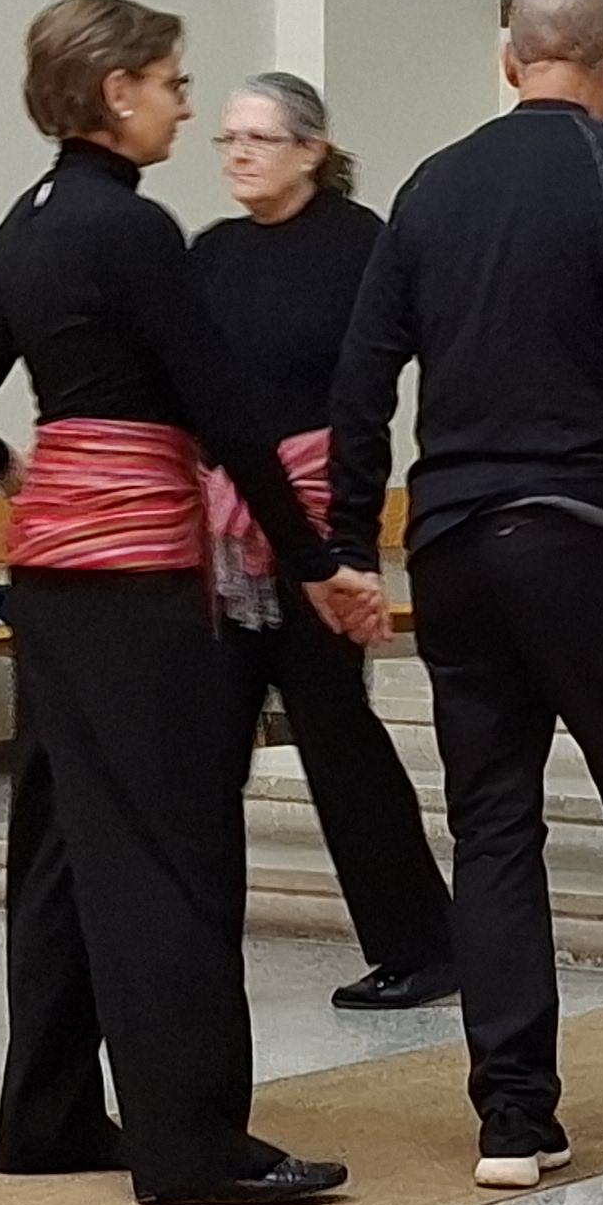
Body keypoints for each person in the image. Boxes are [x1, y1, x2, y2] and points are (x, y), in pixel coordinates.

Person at [0, 0, 377, 1205]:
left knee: (61, 843)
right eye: (171, 83)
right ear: (115, 92)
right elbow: (225, 410)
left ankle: (48, 1113)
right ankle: (192, 1143)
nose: (182, 107)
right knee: (173, 851)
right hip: (134, 575)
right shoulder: (133, 228)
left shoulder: (28, 220)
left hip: (52, 576)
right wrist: (313, 560)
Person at [327, 0, 603, 1193]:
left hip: (454, 547)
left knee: (493, 827)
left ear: (508, 59)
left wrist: (351, 543)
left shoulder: (431, 184)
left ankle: (515, 1119)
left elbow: (361, 378)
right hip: (584, 537)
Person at [190, 75, 457, 1012]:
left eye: (258, 139)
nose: (237, 154)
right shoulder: (211, 253)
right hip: (222, 538)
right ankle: (194, 945)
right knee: (205, 746)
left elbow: (365, 405)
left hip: (317, 524)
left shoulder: (361, 245)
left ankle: (423, 945)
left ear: (311, 149)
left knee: (339, 739)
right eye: (227, 138)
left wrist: (347, 541)